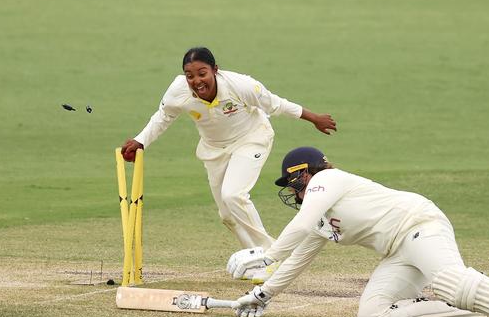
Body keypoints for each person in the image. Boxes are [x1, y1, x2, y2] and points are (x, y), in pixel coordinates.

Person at [227, 147, 489, 317]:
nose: (293, 190)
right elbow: (298, 260)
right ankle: (477, 312)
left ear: (309, 173)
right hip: (397, 252)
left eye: (294, 181)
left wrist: (266, 253)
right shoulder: (316, 219)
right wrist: (261, 295)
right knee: (372, 316)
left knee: (450, 281)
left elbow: (299, 226)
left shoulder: (328, 180)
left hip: (420, 225)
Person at [121, 48, 337, 266]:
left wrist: (314, 118)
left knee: (233, 195)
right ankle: (255, 260)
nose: (196, 81)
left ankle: (271, 258)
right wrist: (140, 141)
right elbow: (163, 117)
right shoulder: (178, 91)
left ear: (215, 70)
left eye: (202, 73)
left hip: (251, 139)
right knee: (227, 215)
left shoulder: (240, 85)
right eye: (190, 75)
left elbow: (276, 104)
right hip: (214, 150)